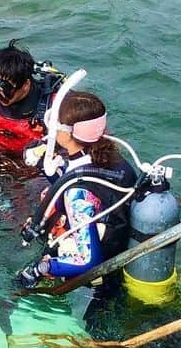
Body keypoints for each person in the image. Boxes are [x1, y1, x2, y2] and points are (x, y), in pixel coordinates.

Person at [14, 91, 138, 291]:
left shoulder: (79, 192)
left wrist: (41, 269)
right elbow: (81, 179)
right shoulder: (111, 158)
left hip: (93, 284)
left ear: (68, 133)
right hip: (115, 238)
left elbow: (88, 261)